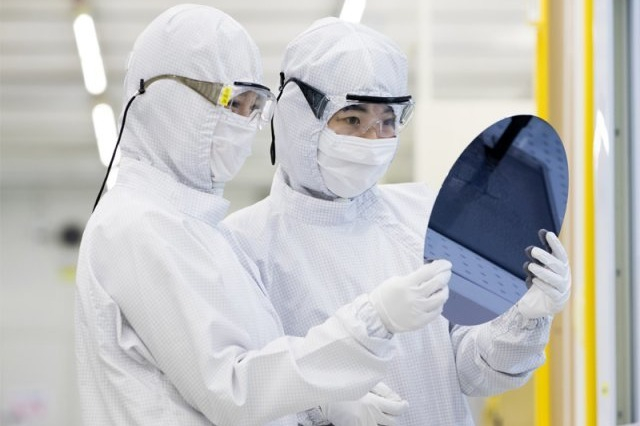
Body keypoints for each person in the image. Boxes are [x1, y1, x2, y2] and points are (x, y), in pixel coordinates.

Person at [74, 5, 456, 426]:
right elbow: (234, 391)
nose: (243, 123)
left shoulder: (195, 229)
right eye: (233, 101)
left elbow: (246, 367)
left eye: (253, 107)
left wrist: (322, 404)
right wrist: (372, 321)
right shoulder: (140, 226)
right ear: (168, 95)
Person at [223, 17, 572, 425]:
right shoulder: (244, 245)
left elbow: (471, 368)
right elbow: (238, 392)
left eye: (387, 121)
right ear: (300, 117)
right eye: (353, 120)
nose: (375, 140)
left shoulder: (419, 213)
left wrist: (526, 317)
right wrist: (321, 405)